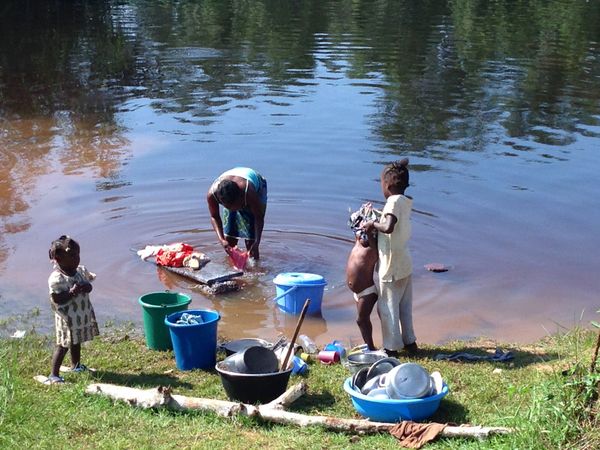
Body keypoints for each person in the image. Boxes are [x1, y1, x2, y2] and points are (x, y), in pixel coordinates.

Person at [363, 158, 418, 356]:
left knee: (388, 309)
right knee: (404, 307)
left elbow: (388, 227)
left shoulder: (392, 202)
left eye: (381, 185)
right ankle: (410, 342)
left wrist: (371, 225)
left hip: (391, 265)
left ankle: (391, 348)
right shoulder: (404, 201)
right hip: (404, 262)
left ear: (387, 185)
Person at [46, 235, 99, 384]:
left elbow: (89, 284)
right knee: (63, 345)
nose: (77, 259)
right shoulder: (57, 278)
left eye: (78, 255)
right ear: (59, 258)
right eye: (73, 255)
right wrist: (71, 292)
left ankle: (75, 365)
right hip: (67, 319)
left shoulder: (80, 271)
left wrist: (87, 287)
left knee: (76, 342)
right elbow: (56, 299)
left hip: (79, 316)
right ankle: (53, 374)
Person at [207, 167, 267, 259]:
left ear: (240, 196)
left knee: (251, 243)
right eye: (228, 207)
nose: (233, 209)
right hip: (231, 193)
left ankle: (255, 268)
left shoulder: (249, 192)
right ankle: (234, 266)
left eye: (236, 206)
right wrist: (222, 240)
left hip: (257, 185)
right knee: (229, 241)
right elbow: (214, 217)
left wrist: (256, 242)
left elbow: (258, 217)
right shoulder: (212, 195)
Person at [346, 225, 379, 351]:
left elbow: (372, 243)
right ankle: (369, 346)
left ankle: (371, 348)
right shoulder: (358, 244)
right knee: (363, 321)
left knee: (361, 320)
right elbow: (355, 225)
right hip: (357, 292)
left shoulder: (372, 249)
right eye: (361, 235)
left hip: (367, 292)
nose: (363, 237)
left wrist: (370, 232)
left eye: (367, 236)